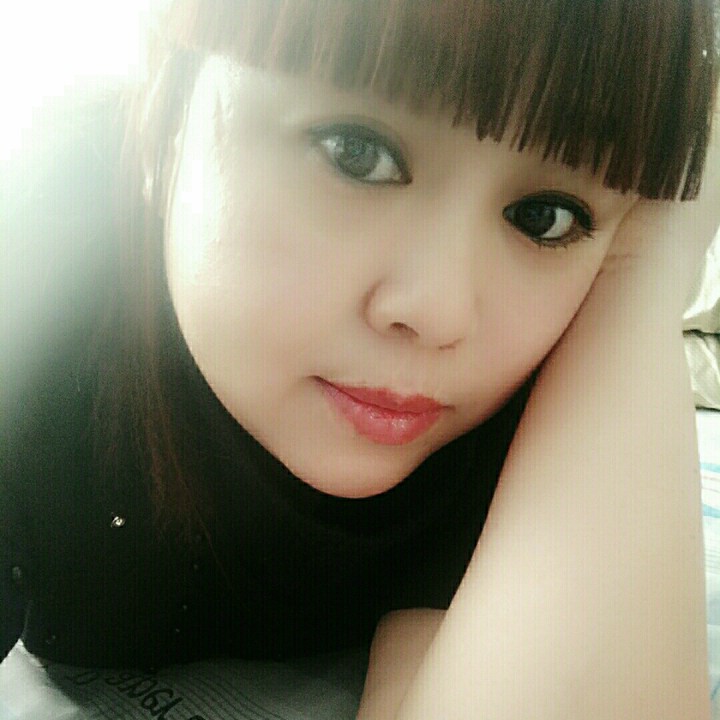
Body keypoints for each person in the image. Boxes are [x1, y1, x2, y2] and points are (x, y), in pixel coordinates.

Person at [1, 1, 718, 718]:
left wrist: (660, 253)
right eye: (356, 153)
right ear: (165, 108)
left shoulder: (544, 374)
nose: (439, 313)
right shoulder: (37, 262)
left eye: (545, 216)